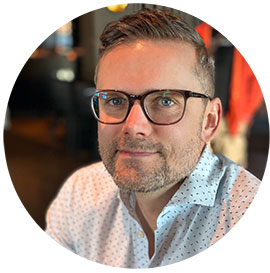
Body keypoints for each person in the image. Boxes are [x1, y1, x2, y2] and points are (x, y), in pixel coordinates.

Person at [46, 9, 260, 268]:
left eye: (166, 100)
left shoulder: (248, 218)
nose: (133, 126)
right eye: (114, 100)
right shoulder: (79, 194)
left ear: (209, 121)